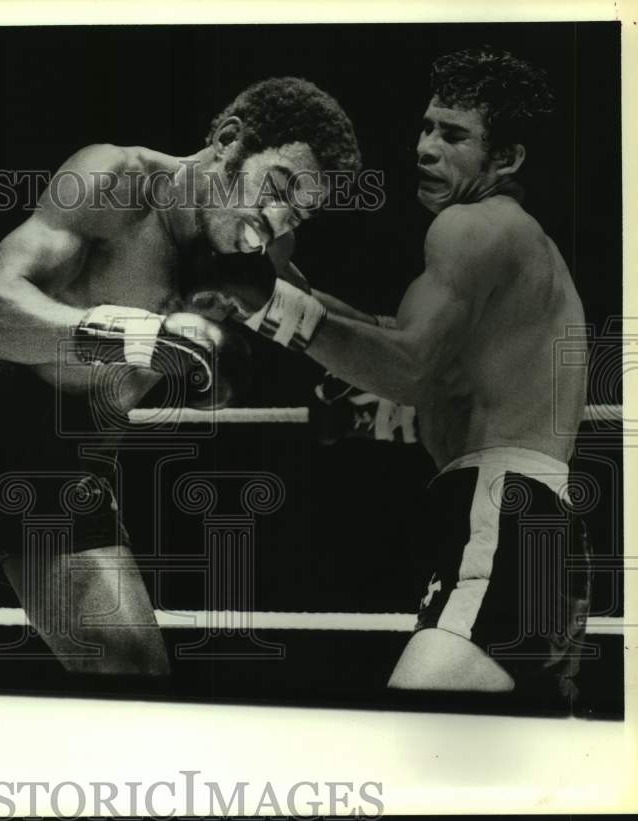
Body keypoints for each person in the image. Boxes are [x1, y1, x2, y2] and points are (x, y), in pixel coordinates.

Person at [0, 77, 362, 673]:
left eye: (298, 209)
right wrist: (138, 337)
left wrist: (374, 389)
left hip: (68, 453)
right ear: (228, 141)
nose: (276, 219)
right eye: (275, 188)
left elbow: (328, 324)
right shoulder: (115, 179)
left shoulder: (261, 252)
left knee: (134, 676)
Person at [203, 48, 591, 697]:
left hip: (500, 513)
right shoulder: (508, 242)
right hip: (526, 519)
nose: (426, 147)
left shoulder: (472, 228)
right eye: (427, 127)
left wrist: (266, 303)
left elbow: (408, 370)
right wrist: (276, 290)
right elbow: (393, 338)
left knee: (406, 730)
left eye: (454, 135)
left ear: (508, 159)